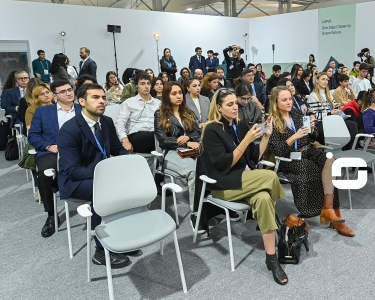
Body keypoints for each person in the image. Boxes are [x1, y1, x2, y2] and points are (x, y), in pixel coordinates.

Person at [198, 88, 287, 285]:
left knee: (264, 199)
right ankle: (279, 224)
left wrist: (265, 137)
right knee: (271, 176)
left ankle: (271, 258)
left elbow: (254, 157)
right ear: (219, 108)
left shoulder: (240, 125)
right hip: (224, 184)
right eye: (229, 104)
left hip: (244, 180)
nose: (234, 107)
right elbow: (224, 165)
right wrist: (246, 140)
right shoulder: (212, 129)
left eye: (235, 104)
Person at [57, 83, 131, 268]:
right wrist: (106, 174)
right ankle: (101, 249)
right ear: (81, 101)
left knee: (127, 187)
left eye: (103, 98)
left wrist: (130, 162)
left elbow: (116, 149)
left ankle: (119, 239)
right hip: (75, 180)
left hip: (101, 174)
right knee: (105, 191)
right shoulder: (70, 129)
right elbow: (72, 170)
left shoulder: (106, 122)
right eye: (95, 97)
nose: (102, 101)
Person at [268, 86, 354, 237]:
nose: (289, 102)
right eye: (284, 100)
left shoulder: (295, 113)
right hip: (289, 157)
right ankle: (330, 216)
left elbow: (310, 138)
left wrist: (313, 130)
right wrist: (295, 136)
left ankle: (329, 209)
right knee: (310, 168)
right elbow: (278, 150)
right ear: (275, 102)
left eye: (290, 99)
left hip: (308, 150)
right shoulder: (272, 122)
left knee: (331, 161)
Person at [28, 79, 79, 237]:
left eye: (70, 89)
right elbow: (33, 136)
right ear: (55, 95)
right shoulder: (43, 112)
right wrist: (49, 146)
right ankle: (51, 215)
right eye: (63, 91)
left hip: (79, 150)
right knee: (44, 173)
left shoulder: (82, 108)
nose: (68, 93)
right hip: (52, 151)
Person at [154, 82, 201, 213]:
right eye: (174, 93)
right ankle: (196, 212)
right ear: (166, 96)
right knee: (194, 171)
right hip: (171, 152)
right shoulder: (160, 114)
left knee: (211, 164)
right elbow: (163, 140)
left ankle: (210, 203)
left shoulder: (188, 112)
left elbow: (198, 132)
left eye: (180, 93)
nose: (178, 96)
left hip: (192, 150)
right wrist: (185, 143)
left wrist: (189, 137)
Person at [115, 73, 161, 165]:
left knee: (162, 136)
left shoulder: (158, 103)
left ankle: (159, 169)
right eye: (142, 84)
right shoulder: (129, 103)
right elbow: (120, 123)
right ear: (137, 86)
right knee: (158, 139)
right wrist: (125, 140)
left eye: (148, 83)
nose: (146, 86)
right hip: (137, 136)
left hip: (155, 135)